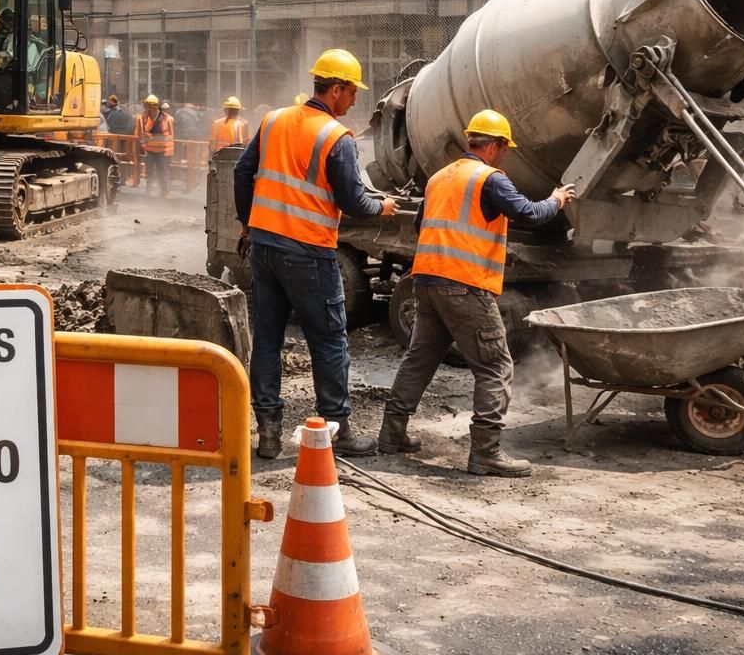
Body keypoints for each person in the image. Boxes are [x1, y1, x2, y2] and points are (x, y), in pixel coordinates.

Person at [381, 110, 576, 475]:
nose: (505, 155)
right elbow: (530, 214)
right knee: (496, 366)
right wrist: (557, 199)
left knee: (419, 359)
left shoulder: (439, 177)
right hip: (465, 284)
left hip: (425, 280)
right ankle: (485, 451)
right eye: (505, 148)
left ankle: (392, 434)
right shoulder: (491, 179)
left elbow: (423, 223)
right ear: (496, 145)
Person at [235, 50, 398, 459]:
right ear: (337, 89)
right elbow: (355, 202)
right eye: (352, 93)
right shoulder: (335, 138)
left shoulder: (273, 121)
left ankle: (268, 433)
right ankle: (338, 431)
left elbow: (242, 172)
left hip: (266, 248)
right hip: (308, 251)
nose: (355, 102)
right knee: (328, 342)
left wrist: (247, 224)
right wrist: (383, 206)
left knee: (268, 339)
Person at [136, 95, 175, 196]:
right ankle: (149, 192)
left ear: (155, 107)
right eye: (146, 106)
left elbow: (170, 136)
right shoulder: (143, 118)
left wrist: (150, 137)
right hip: (150, 151)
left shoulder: (167, 119)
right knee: (150, 172)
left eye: (148, 106)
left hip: (164, 151)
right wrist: (144, 145)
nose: (147, 108)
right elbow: (141, 135)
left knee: (163, 172)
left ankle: (165, 192)